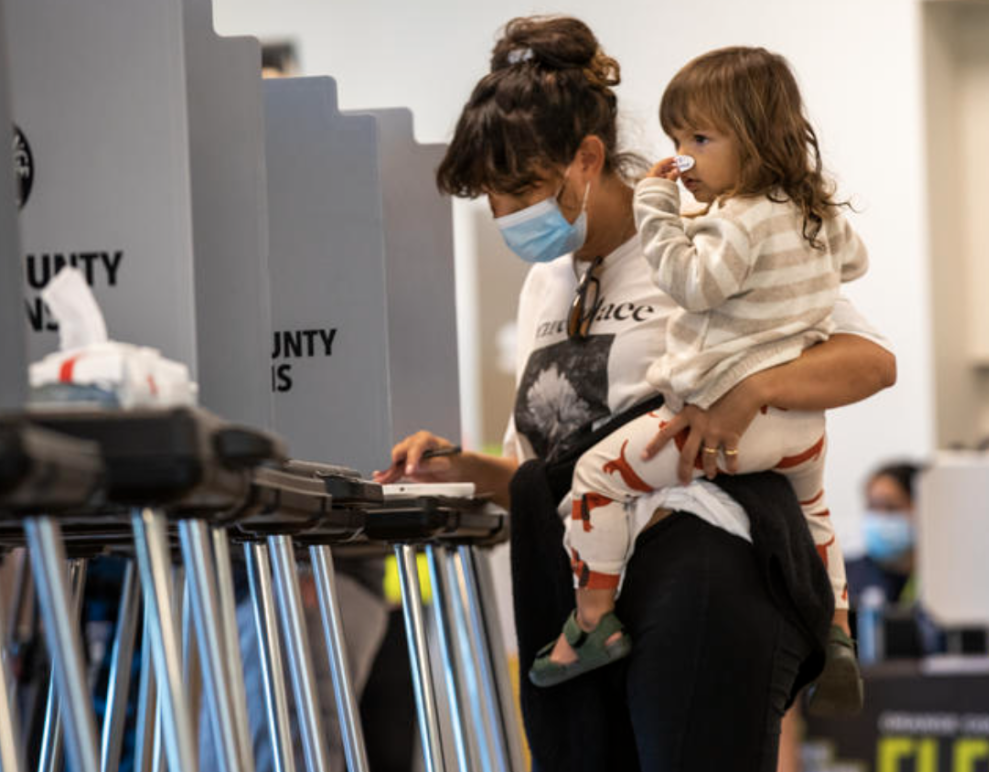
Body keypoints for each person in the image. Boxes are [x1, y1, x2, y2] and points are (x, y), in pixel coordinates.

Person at [374, 16, 896, 771]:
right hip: (585, 588)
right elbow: (538, 470)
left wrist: (750, 392)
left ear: (588, 158)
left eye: (520, 189)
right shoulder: (544, 283)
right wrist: (458, 469)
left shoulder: (709, 234)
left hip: (707, 567)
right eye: (492, 198)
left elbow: (870, 360)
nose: (505, 215)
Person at [528, 46, 865, 717]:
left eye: (700, 140)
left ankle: (593, 619)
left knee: (595, 478)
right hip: (798, 430)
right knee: (814, 512)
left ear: (758, 136)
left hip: (724, 422)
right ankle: (838, 630)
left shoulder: (736, 221)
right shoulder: (813, 211)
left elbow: (691, 283)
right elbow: (852, 263)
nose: (681, 158)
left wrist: (657, 207)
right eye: (677, 140)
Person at [847, 462, 921, 605]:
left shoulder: (938, 579)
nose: (880, 517)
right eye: (872, 507)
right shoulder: (844, 578)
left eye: (892, 507)